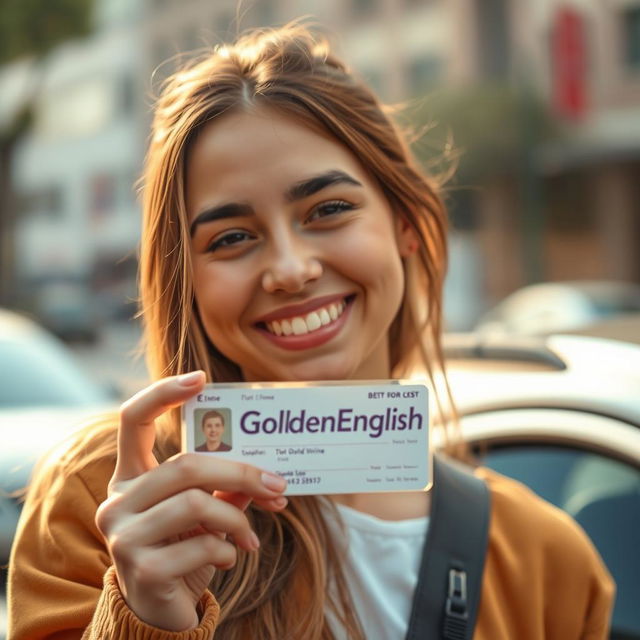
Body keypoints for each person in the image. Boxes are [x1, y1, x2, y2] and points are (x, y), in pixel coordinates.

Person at [8, 22, 613, 640]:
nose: (291, 271)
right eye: (232, 237)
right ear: (186, 279)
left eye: (328, 210)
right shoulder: (107, 502)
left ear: (405, 223)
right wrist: (145, 620)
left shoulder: (549, 559)